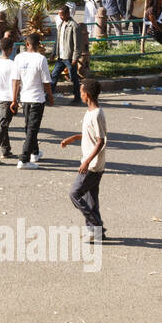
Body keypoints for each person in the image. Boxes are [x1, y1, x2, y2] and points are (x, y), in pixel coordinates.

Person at [59, 79, 109, 240]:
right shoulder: (89, 112)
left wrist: (87, 162)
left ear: (86, 94)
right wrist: (73, 138)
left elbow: (101, 140)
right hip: (90, 163)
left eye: (81, 92)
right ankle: (95, 232)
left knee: (74, 194)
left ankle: (96, 225)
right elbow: (91, 135)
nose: (80, 95)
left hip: (93, 166)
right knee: (91, 198)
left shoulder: (97, 114)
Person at [11, 32, 53, 170]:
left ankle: (34, 152)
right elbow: (46, 82)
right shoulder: (41, 59)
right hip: (37, 98)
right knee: (32, 129)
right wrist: (51, 97)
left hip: (25, 98)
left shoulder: (19, 58)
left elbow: (15, 80)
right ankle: (24, 159)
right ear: (39, 44)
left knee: (29, 126)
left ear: (27, 44)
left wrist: (14, 99)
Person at [52, 6, 82, 103]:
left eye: (62, 15)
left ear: (67, 14)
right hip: (60, 57)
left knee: (73, 78)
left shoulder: (74, 26)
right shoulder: (61, 25)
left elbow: (77, 44)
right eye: (59, 15)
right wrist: (53, 53)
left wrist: (75, 58)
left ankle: (77, 97)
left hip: (69, 57)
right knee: (54, 75)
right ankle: (49, 96)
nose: (60, 17)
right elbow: (57, 41)